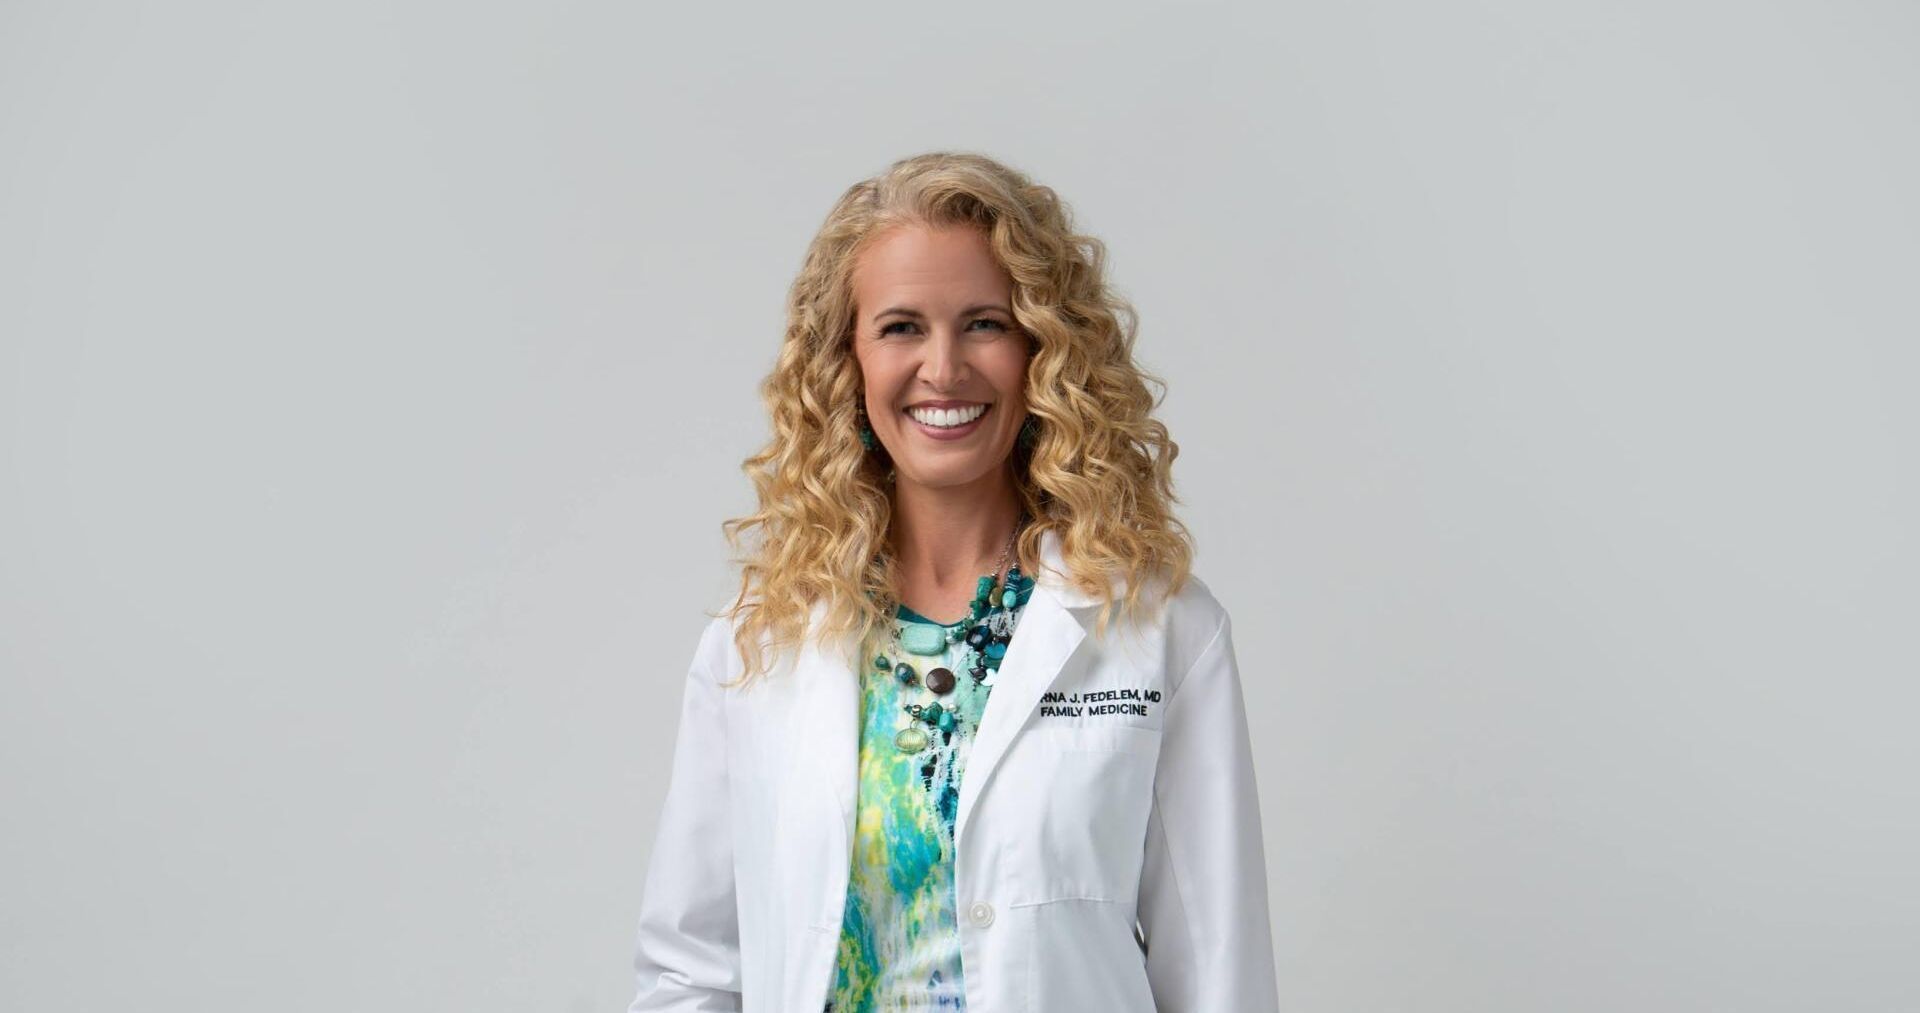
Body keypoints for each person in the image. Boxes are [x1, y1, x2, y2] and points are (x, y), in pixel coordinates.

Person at [626, 151, 1279, 1012]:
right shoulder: (759, 640)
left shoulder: (1158, 631)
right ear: (847, 361)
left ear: (1043, 351)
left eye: (984, 324)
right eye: (901, 327)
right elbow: (690, 971)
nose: (943, 369)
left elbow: (1219, 976)